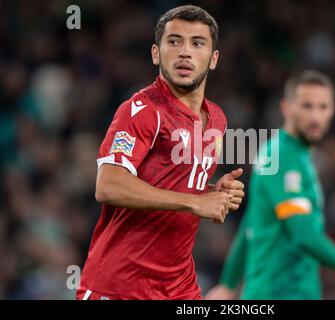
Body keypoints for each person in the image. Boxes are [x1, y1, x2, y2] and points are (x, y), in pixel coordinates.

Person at [76, 5, 245, 300]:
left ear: (213, 59)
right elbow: (109, 185)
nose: (184, 52)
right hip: (120, 285)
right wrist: (195, 203)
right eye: (174, 41)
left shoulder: (217, 119)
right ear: (156, 53)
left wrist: (212, 192)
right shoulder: (142, 110)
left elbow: (169, 181)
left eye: (197, 43)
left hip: (178, 286)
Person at [205, 70, 335, 300]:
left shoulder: (282, 155)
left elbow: (251, 224)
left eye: (323, 107)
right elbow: (302, 234)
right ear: (286, 108)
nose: (315, 116)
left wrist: (228, 283)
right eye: (307, 106)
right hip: (280, 293)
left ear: (332, 111)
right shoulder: (284, 158)